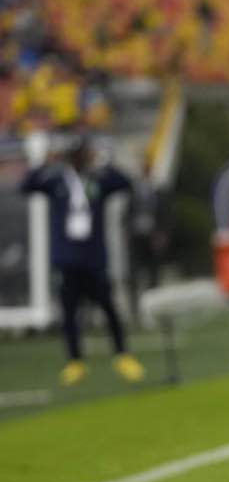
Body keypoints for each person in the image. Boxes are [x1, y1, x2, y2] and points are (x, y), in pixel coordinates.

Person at [20, 137, 146, 385]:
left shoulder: (98, 179)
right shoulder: (56, 180)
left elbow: (125, 183)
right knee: (69, 312)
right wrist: (44, 161)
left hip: (94, 257)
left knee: (109, 309)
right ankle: (75, 361)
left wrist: (106, 161)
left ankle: (122, 355)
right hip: (66, 258)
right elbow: (26, 186)